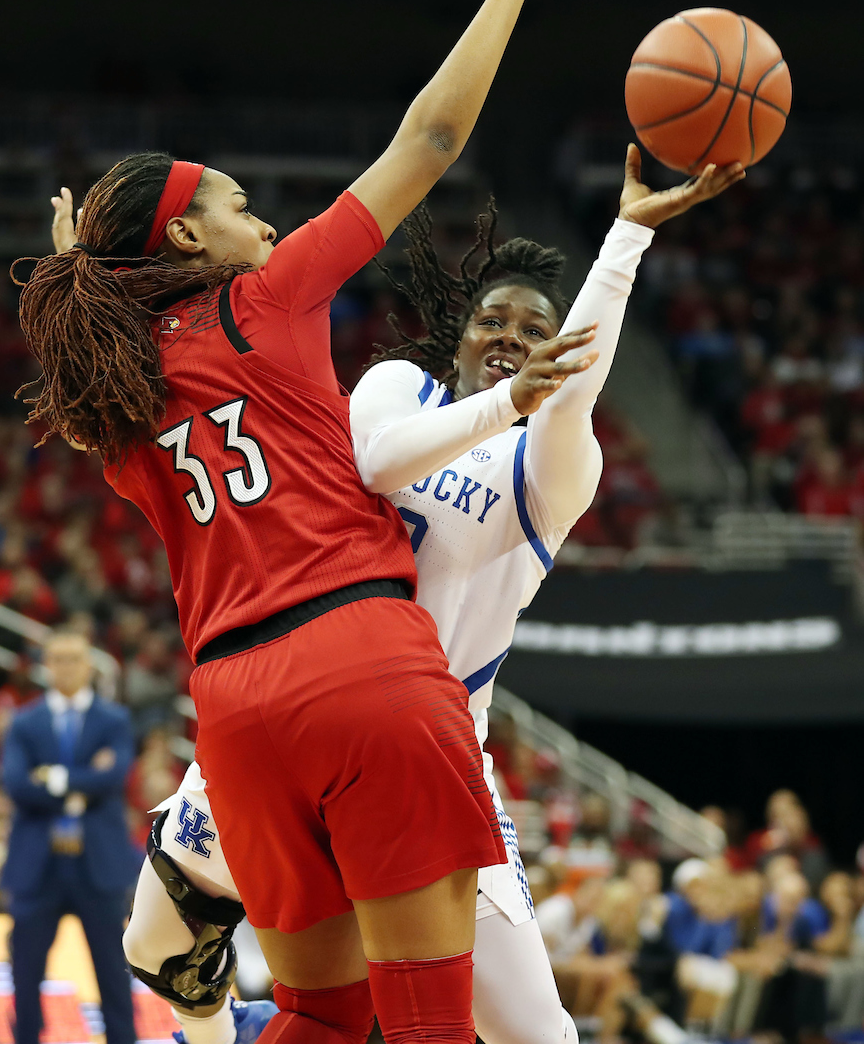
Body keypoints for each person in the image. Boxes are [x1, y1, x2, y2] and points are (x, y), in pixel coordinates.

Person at [17, 0, 561, 1044]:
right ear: (189, 240)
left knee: (319, 1015)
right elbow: (430, 137)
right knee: (425, 1023)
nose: (260, 216)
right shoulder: (260, 297)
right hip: (359, 660)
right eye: (234, 202)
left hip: (233, 713)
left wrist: (81, 267)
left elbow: (84, 328)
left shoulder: (115, 395)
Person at [114, 142, 741, 1044]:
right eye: (496, 321)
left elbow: (569, 395)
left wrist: (627, 236)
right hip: (310, 707)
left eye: (536, 331)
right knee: (158, 949)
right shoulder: (393, 390)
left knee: (535, 1036)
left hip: (428, 748)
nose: (514, 342)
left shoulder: (552, 468)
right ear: (459, 332)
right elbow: (375, 461)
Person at [0, 629, 137, 1044]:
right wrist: (83, 783)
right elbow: (16, 784)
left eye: (74, 659)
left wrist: (53, 778)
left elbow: (113, 778)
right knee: (25, 974)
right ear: (46, 666)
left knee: (114, 975)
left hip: (98, 866)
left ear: (89, 665)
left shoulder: (114, 720)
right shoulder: (24, 723)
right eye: (58, 659)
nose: (66, 667)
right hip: (37, 867)